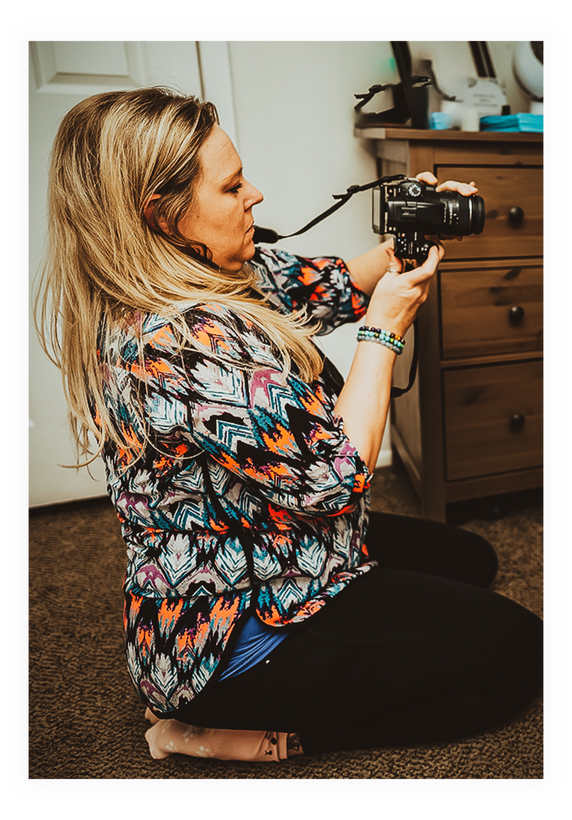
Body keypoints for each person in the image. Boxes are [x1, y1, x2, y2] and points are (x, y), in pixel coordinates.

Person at [36, 87, 543, 763]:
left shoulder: (204, 268)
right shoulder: (179, 343)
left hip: (265, 535)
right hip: (235, 629)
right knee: (518, 655)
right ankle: (234, 735)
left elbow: (327, 283)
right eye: (232, 186)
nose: (257, 196)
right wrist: (385, 328)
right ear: (162, 215)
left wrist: (411, 234)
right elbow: (339, 478)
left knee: (468, 560)